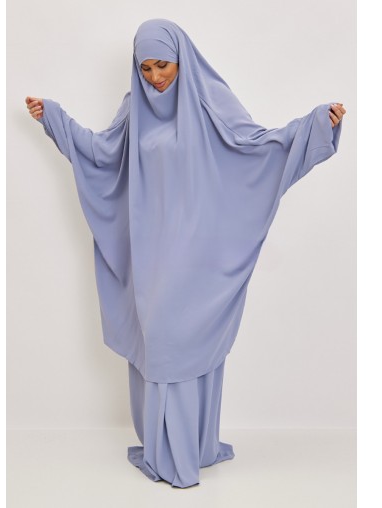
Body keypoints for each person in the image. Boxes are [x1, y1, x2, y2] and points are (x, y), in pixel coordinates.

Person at [25, 18, 346, 488]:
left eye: (163, 65)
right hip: (151, 258)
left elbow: (259, 146)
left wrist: (317, 123)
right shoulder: (135, 108)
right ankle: (170, 450)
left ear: (182, 59)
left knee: (182, 345)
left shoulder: (211, 101)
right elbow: (101, 154)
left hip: (199, 257)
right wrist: (53, 118)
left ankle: (187, 452)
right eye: (146, 68)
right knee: (159, 346)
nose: (155, 77)